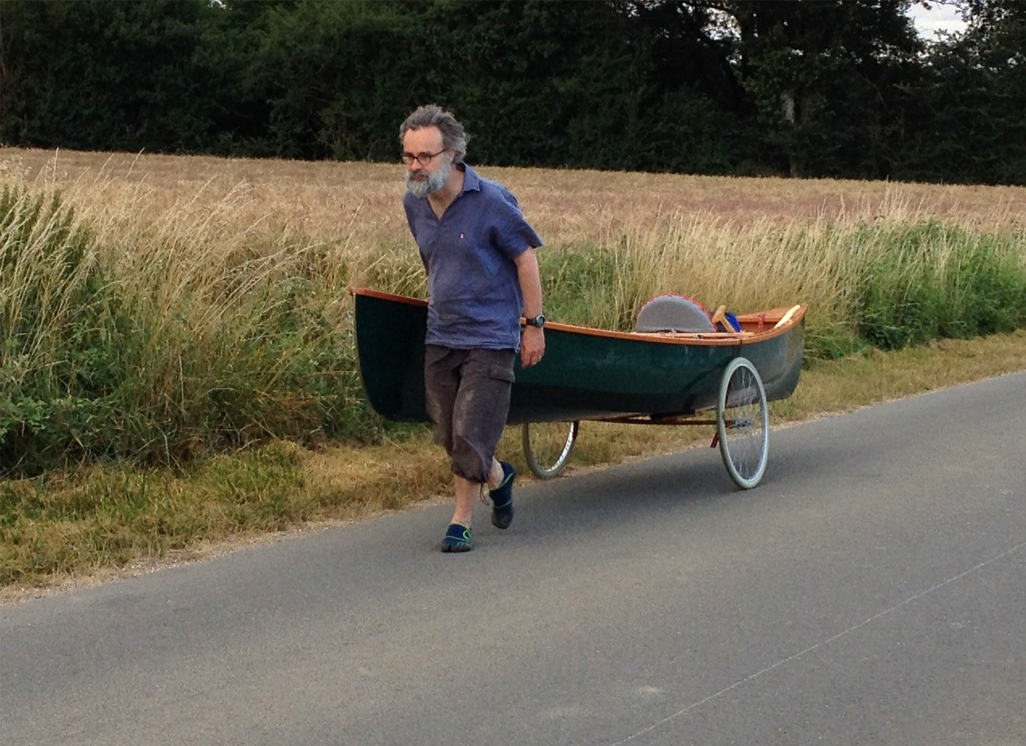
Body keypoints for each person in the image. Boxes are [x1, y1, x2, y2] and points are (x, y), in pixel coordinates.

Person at [399, 104, 545, 553]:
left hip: (491, 336)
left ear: (452, 154)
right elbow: (435, 261)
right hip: (442, 333)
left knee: (470, 431)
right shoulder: (414, 202)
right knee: (447, 432)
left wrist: (533, 325)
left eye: (425, 157)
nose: (416, 167)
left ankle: (460, 521)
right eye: (408, 157)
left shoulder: (492, 201)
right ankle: (498, 476)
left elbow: (525, 259)